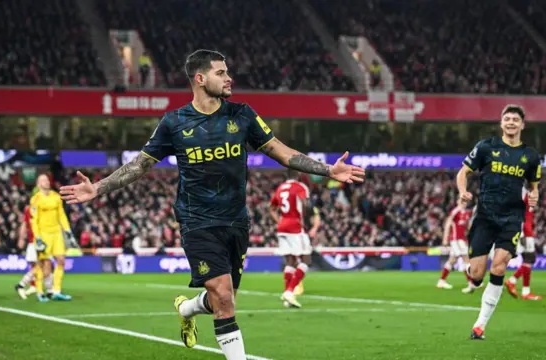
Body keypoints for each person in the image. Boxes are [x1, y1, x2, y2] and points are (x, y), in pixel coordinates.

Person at [59, 49, 365, 360]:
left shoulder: (242, 115)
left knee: (224, 297)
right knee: (223, 295)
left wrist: (328, 169)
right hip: (197, 222)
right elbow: (139, 165)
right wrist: (97, 188)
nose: (229, 77)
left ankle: (187, 308)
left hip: (235, 221)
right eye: (221, 73)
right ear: (200, 79)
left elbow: (280, 151)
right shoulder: (174, 123)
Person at [458, 104, 541, 340]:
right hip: (485, 215)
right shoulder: (486, 147)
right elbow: (463, 172)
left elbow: (533, 187)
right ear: (501, 123)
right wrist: (463, 190)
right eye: (508, 119)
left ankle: (479, 325)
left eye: (516, 119)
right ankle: (471, 274)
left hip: (512, 217)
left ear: (522, 125)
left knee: (500, 265)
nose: (511, 122)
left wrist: (533, 195)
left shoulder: (531, 156)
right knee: (477, 274)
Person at [269, 169, 319, 307]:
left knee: (290, 261)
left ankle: (287, 296)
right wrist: (308, 218)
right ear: (298, 175)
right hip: (295, 227)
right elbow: (306, 204)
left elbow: (271, 208)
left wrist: (278, 221)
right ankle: (290, 291)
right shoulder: (300, 187)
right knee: (306, 260)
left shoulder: (280, 188)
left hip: (282, 227)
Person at [30, 174, 75, 302]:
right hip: (43, 234)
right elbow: (34, 220)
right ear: (38, 184)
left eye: (47, 179)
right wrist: (37, 237)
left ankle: (56, 291)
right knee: (42, 264)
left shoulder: (56, 197)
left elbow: (61, 215)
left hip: (57, 234)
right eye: (43, 180)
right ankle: (39, 291)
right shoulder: (35, 199)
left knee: (61, 260)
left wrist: (67, 231)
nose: (47, 182)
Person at [505, 187, 542, 300]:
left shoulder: (528, 192)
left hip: (527, 229)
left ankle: (514, 283)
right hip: (525, 231)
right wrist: (520, 232)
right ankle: (521, 289)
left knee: (529, 259)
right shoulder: (522, 191)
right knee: (529, 258)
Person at [436, 198, 474, 293]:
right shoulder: (455, 211)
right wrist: (445, 238)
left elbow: (467, 227)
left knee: (452, 260)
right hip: (456, 240)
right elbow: (448, 223)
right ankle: (471, 284)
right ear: (457, 202)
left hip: (461, 240)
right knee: (466, 259)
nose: (463, 203)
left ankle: (441, 281)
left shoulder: (466, 213)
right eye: (461, 201)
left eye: (465, 202)